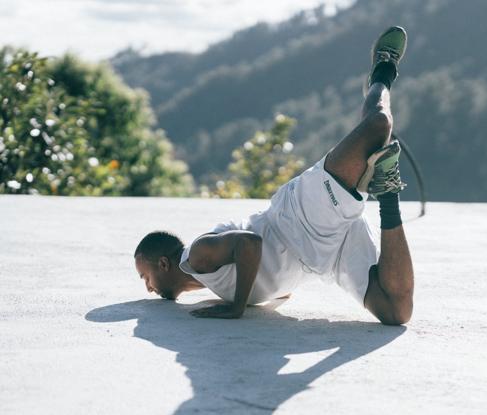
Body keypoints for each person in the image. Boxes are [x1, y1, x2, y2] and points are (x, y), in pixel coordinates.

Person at [134, 26, 414, 325]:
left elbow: (249, 244)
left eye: (144, 277)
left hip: (301, 218)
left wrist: (237, 308)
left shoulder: (198, 255)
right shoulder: (210, 284)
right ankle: (388, 193)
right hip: (324, 259)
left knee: (378, 125)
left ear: (162, 264)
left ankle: (382, 72)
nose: (148, 288)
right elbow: (265, 273)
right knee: (396, 312)